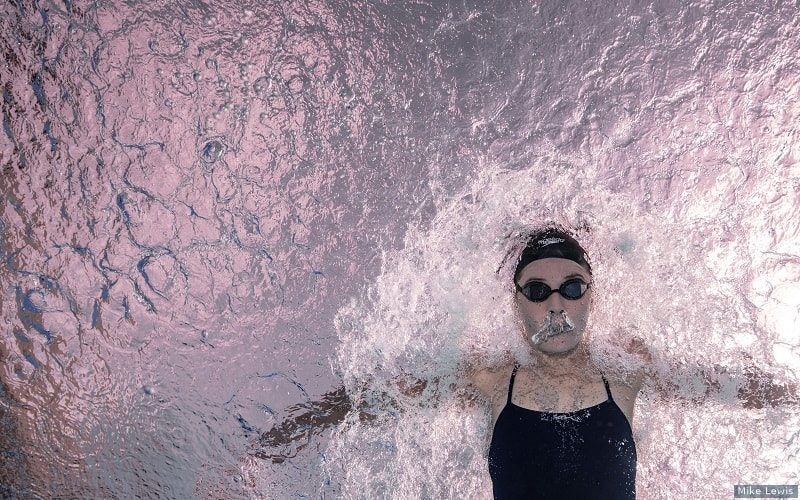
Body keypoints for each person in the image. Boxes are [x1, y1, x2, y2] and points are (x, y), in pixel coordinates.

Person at [257, 224, 798, 499]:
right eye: (537, 289)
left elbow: (732, 389)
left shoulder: (627, 369)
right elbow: (372, 401)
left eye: (571, 287)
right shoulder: (490, 376)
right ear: (515, 301)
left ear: (592, 295)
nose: (556, 303)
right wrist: (274, 440)